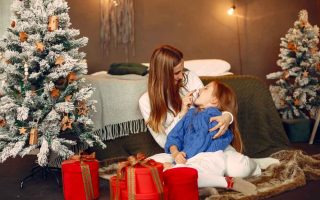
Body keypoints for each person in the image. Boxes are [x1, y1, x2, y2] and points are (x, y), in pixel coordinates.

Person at [139, 44, 261, 179]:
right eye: (176, 73)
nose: (181, 76)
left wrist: (227, 116)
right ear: (163, 74)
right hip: (182, 152)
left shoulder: (189, 78)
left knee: (239, 170)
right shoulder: (146, 102)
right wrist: (182, 114)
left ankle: (256, 164)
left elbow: (212, 104)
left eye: (182, 69)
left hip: (213, 145)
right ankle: (204, 175)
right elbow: (165, 142)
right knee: (148, 166)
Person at [162, 81, 257, 195]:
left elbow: (203, 141)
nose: (201, 89)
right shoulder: (189, 114)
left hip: (211, 154)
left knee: (179, 173)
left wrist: (182, 161)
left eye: (206, 88)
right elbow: (173, 136)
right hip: (191, 157)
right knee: (159, 166)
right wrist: (176, 153)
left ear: (214, 100)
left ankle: (250, 168)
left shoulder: (213, 114)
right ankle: (208, 188)